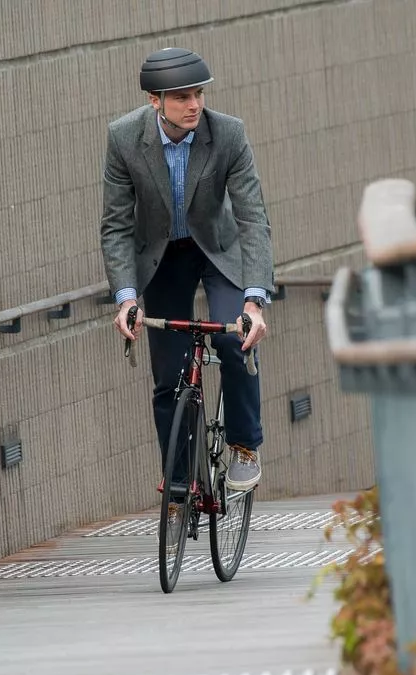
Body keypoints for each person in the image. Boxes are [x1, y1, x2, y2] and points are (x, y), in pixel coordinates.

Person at [99, 47, 272, 496]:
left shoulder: (228, 134)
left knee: (233, 340)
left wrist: (254, 301)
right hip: (163, 256)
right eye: (181, 97)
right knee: (169, 376)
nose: (194, 104)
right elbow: (116, 225)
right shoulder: (123, 138)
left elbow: (253, 219)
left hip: (218, 249)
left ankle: (244, 445)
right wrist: (126, 298)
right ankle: (179, 482)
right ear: (155, 100)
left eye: (198, 93)